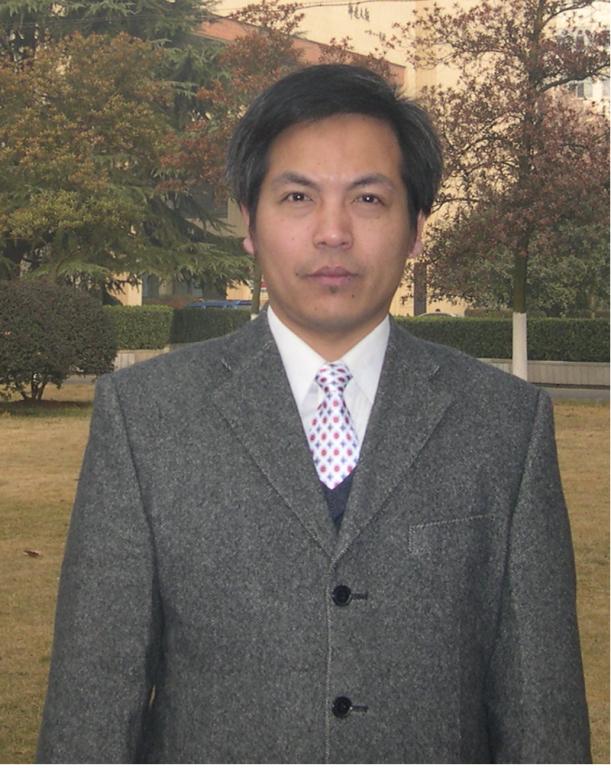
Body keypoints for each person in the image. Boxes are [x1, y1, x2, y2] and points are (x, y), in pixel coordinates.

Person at [37, 64, 590, 763]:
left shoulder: (507, 425)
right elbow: (93, 698)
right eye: (297, 196)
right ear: (249, 221)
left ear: (416, 228)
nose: (333, 233)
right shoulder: (144, 416)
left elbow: (542, 713)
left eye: (368, 199)